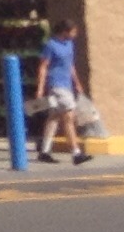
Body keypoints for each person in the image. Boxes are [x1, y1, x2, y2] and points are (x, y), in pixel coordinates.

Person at [36, 19, 92, 165]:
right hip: (56, 84)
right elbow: (43, 66)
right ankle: (76, 152)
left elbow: (70, 65)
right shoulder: (51, 45)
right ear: (64, 31)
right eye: (72, 31)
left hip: (66, 84)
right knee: (68, 117)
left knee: (54, 117)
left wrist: (77, 83)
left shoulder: (69, 45)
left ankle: (44, 151)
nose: (75, 34)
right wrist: (41, 88)